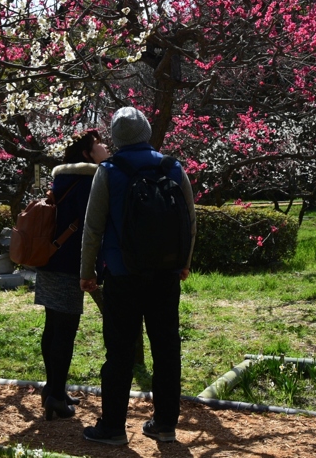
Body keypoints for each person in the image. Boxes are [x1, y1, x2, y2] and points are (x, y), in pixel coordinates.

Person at [79, 107, 196, 446]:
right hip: (165, 274)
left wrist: (87, 272)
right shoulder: (172, 166)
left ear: (115, 137)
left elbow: (93, 228)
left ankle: (113, 427)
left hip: (122, 274)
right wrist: (184, 262)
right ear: (146, 130)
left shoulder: (109, 171)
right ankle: (165, 424)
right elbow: (189, 220)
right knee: (166, 347)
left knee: (119, 350)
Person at [36, 129, 109, 421]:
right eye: (98, 144)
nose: (105, 146)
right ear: (86, 154)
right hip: (70, 264)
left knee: (53, 325)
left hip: (48, 258)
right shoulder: (89, 181)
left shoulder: (61, 178)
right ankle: (55, 396)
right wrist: (95, 269)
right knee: (65, 331)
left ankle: (54, 387)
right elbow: (93, 229)